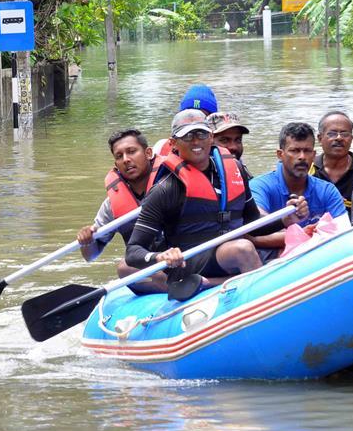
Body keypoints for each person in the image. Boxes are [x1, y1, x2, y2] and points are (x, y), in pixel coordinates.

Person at [125, 110, 309, 300]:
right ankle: (267, 303)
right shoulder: (164, 190)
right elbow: (133, 251)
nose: (196, 141)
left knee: (242, 248)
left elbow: (252, 222)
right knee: (243, 249)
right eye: (187, 136)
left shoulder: (235, 170)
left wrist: (284, 219)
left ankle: (214, 283)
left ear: (211, 137)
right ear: (173, 143)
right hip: (190, 262)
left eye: (201, 134)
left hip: (226, 255)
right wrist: (160, 257)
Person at [77, 129, 167, 293]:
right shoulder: (112, 204)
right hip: (151, 263)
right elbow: (90, 256)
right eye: (119, 156)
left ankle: (193, 281)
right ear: (116, 164)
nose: (126, 160)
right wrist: (87, 241)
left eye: (132, 152)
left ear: (148, 153)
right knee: (125, 268)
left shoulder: (172, 183)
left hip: (183, 255)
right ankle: (178, 285)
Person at [250, 122, 349, 230]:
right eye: (295, 151)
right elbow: (254, 228)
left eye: (307, 151)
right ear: (280, 154)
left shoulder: (327, 190)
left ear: (314, 155)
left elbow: (344, 232)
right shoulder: (259, 186)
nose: (302, 157)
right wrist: (301, 232)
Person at [308, 111, 353, 216]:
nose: (339, 138)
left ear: (351, 139)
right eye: (332, 133)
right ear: (320, 138)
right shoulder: (308, 170)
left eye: (344, 134)